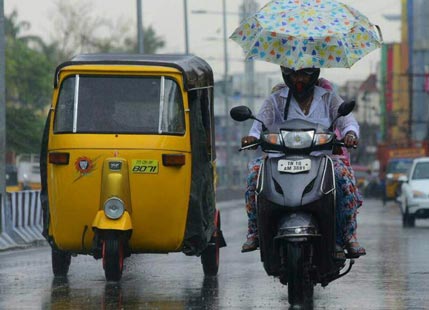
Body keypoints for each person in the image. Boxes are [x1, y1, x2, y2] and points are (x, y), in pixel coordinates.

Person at [240, 66, 366, 258]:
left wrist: (350, 134)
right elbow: (258, 127)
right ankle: (255, 231)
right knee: (254, 174)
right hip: (280, 159)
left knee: (344, 178)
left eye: (304, 74)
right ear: (286, 74)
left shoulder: (328, 98)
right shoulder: (275, 100)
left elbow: (349, 123)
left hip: (322, 160)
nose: (298, 79)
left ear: (314, 73)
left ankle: (348, 236)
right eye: (293, 74)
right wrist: (251, 137)